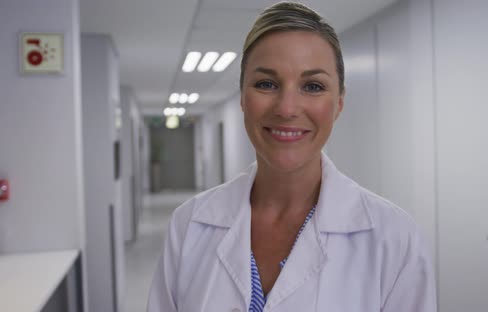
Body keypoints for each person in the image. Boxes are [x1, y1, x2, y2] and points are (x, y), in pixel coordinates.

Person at [147, 2, 436, 311]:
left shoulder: (393, 237)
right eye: (266, 84)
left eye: (312, 86)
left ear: (339, 103)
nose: (286, 108)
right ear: (243, 98)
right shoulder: (189, 224)